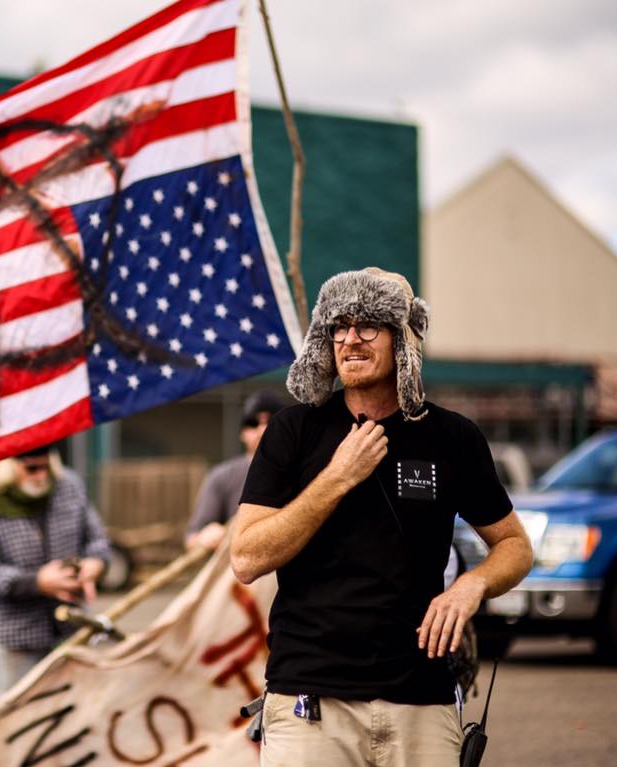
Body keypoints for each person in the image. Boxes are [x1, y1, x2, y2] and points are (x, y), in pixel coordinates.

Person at [230, 267, 533, 766]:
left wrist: (469, 587)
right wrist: (338, 476)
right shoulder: (293, 430)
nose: (350, 339)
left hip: (423, 697)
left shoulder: (453, 437)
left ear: (405, 337)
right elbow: (246, 557)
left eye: (369, 325)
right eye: (339, 326)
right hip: (311, 703)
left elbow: (516, 546)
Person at [0, 445, 111, 699]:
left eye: (46, 466)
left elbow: (97, 540)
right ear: (9, 467)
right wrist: (37, 582)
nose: (41, 475)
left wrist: (94, 564)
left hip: (72, 627)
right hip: (16, 636)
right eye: (32, 468)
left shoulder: (69, 485)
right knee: (15, 716)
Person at [184, 389, 286, 551]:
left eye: (272, 421)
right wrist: (204, 537)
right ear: (242, 433)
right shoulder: (221, 477)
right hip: (240, 571)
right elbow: (191, 539)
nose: (263, 429)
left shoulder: (306, 473)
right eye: (253, 423)